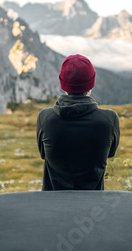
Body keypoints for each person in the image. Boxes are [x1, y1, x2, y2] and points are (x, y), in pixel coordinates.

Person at [36, 54, 120, 191]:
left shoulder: (45, 118)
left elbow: (43, 154)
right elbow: (110, 153)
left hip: (52, 206)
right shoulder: (109, 119)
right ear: (91, 84)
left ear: (63, 83)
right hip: (93, 205)